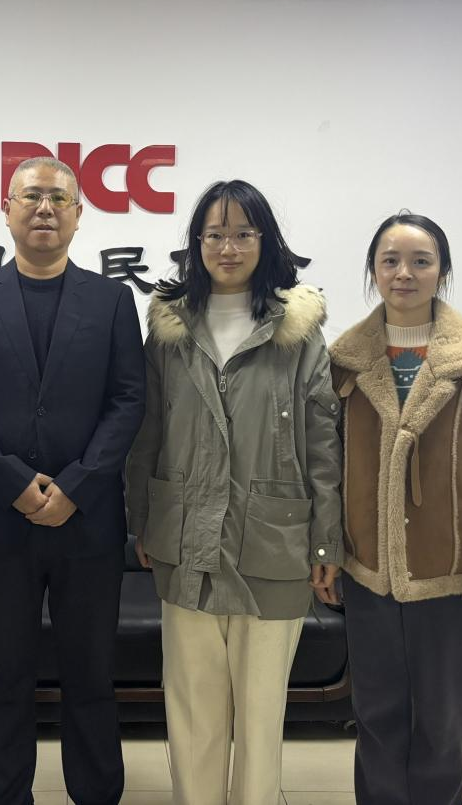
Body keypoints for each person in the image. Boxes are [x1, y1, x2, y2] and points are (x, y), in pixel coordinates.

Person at [0, 156, 145, 805]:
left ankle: (96, 792)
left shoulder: (112, 300)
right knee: (5, 676)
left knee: (91, 675)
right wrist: (16, 484)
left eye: (58, 197)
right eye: (31, 196)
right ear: (7, 209)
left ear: (79, 214)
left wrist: (75, 485)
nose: (44, 208)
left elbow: (128, 400)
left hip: (88, 522)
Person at [125, 180, 343, 805]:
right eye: (215, 234)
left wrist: (326, 543)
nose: (228, 247)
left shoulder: (297, 332)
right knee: (193, 711)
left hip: (274, 540)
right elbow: (146, 434)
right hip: (185, 536)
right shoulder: (170, 331)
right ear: (196, 243)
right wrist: (142, 520)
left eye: (243, 233)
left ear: (264, 241)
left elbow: (323, 444)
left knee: (260, 713)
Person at [328, 211, 462, 805]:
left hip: (450, 579)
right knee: (376, 716)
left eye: (421, 261)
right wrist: (328, 552)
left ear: (442, 271)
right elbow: (324, 469)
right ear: (372, 270)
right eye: (390, 261)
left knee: (442, 724)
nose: (404, 273)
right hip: (367, 575)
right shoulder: (343, 364)